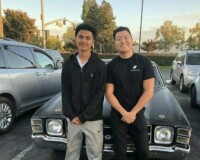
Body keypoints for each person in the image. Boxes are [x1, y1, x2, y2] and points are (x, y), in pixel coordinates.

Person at [106, 26, 155, 160]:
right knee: (120, 155)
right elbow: (109, 93)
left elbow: (149, 91)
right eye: (118, 39)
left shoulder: (144, 62)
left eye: (126, 37)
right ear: (115, 43)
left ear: (132, 40)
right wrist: (124, 113)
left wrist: (132, 113)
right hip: (118, 115)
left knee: (144, 153)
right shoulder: (111, 66)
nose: (123, 41)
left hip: (137, 114)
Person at [61, 23, 107, 160]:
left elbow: (100, 94)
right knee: (71, 155)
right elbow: (65, 91)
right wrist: (70, 114)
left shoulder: (100, 66)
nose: (84, 41)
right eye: (80, 37)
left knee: (94, 155)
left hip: (93, 120)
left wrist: (83, 116)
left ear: (93, 42)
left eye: (88, 38)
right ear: (75, 39)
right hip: (73, 119)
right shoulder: (68, 65)